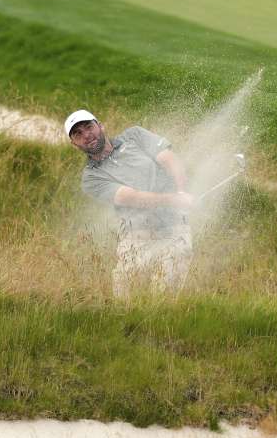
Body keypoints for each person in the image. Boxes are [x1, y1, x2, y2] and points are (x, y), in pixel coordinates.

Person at [65, 109, 195, 297]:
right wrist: (174, 200)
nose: (86, 135)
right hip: (136, 237)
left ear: (100, 126)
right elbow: (132, 197)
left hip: (174, 228)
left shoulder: (134, 136)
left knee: (163, 297)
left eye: (88, 127)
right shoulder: (91, 178)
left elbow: (169, 160)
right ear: (74, 144)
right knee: (125, 299)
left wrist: (182, 191)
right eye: (78, 134)